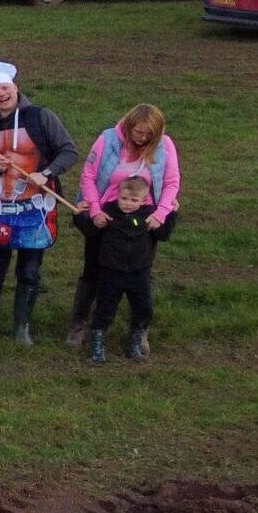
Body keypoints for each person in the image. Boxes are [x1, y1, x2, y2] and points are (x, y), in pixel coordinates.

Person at [0, 60, 78, 346]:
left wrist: (46, 173)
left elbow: (69, 151)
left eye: (5, 88)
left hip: (35, 210)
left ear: (15, 87)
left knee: (29, 270)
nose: (1, 94)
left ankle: (21, 329)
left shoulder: (42, 117)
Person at [70, 103, 180, 346]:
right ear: (129, 127)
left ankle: (140, 330)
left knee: (140, 269)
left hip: (144, 217)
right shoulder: (107, 139)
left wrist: (160, 214)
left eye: (148, 134)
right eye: (138, 132)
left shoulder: (165, 145)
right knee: (93, 267)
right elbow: (88, 175)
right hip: (107, 213)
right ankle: (80, 323)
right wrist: (96, 209)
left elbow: (172, 182)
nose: (142, 138)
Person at [72, 177, 172, 364]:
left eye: (134, 200)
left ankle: (134, 343)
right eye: (124, 198)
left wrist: (172, 213)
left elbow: (163, 234)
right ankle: (98, 344)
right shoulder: (108, 213)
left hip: (139, 273)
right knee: (104, 309)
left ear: (144, 200)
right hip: (111, 272)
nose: (127, 203)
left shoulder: (149, 215)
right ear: (118, 195)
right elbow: (91, 231)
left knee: (144, 309)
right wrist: (79, 215)